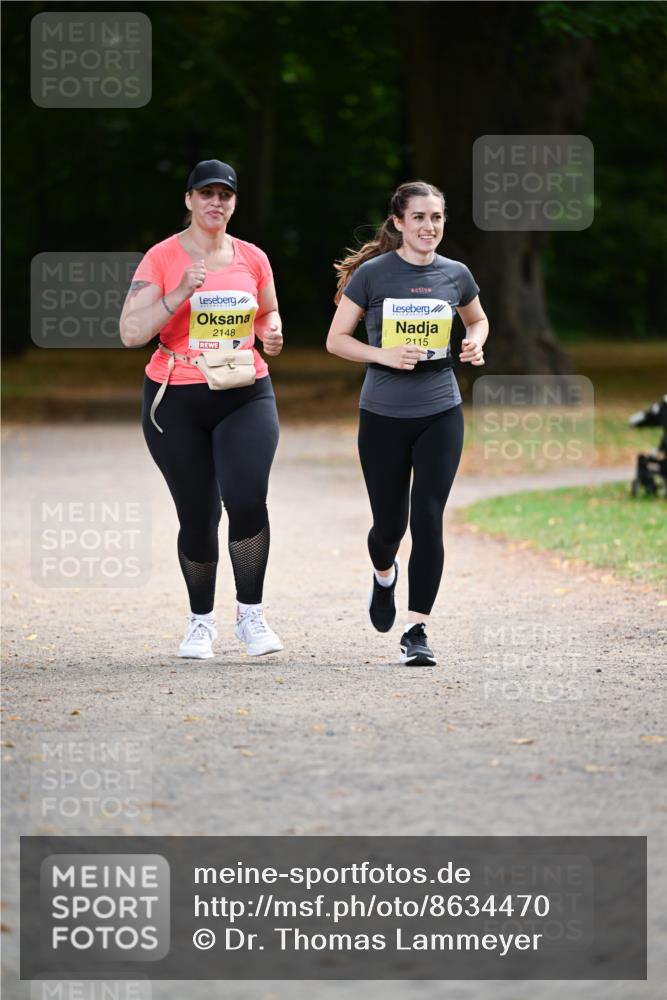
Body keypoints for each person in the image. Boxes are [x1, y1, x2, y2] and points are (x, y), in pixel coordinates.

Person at [120, 159, 284, 659]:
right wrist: (179, 294)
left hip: (244, 391)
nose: (216, 202)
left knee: (247, 499)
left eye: (225, 195)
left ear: (234, 203)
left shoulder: (252, 257)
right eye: (206, 193)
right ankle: (200, 623)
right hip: (176, 397)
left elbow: (267, 311)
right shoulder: (162, 257)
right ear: (189, 199)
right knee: (198, 515)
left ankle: (251, 616)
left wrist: (271, 331)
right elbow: (130, 332)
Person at [326, 180, 488, 666]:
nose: (428, 226)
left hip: (441, 410)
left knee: (428, 518)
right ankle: (383, 575)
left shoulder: (456, 274)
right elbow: (336, 339)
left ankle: (417, 630)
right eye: (418, 217)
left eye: (436, 217)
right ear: (398, 222)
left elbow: (477, 319)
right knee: (389, 526)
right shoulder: (373, 275)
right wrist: (384, 354)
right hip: (383, 415)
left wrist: (475, 341)